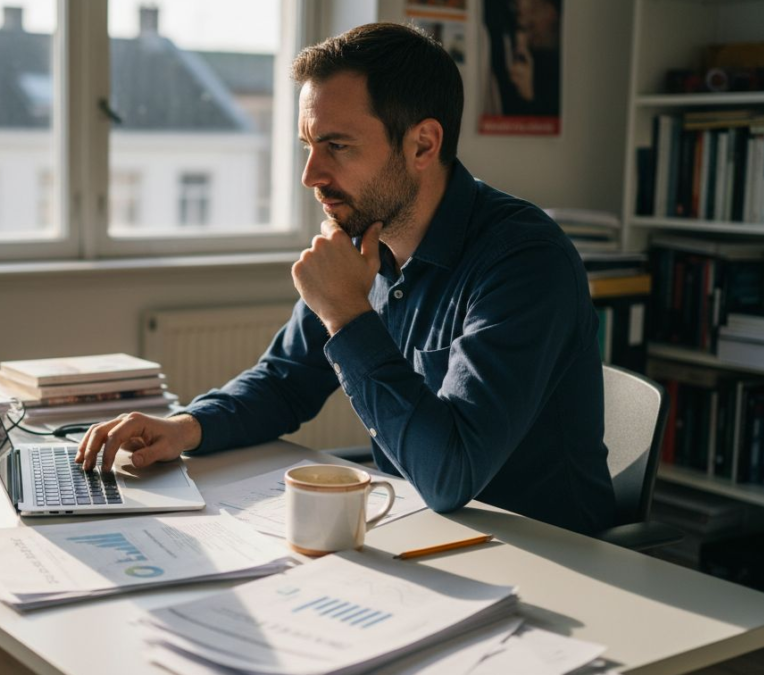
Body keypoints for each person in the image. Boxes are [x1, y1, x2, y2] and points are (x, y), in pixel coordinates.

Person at [77, 22, 613, 535]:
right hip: (422, 529)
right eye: (307, 145)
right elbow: (284, 382)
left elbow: (452, 474)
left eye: (337, 146)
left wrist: (347, 313)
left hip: (549, 557)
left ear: (423, 145)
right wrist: (187, 427)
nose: (311, 175)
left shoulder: (523, 260)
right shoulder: (363, 239)